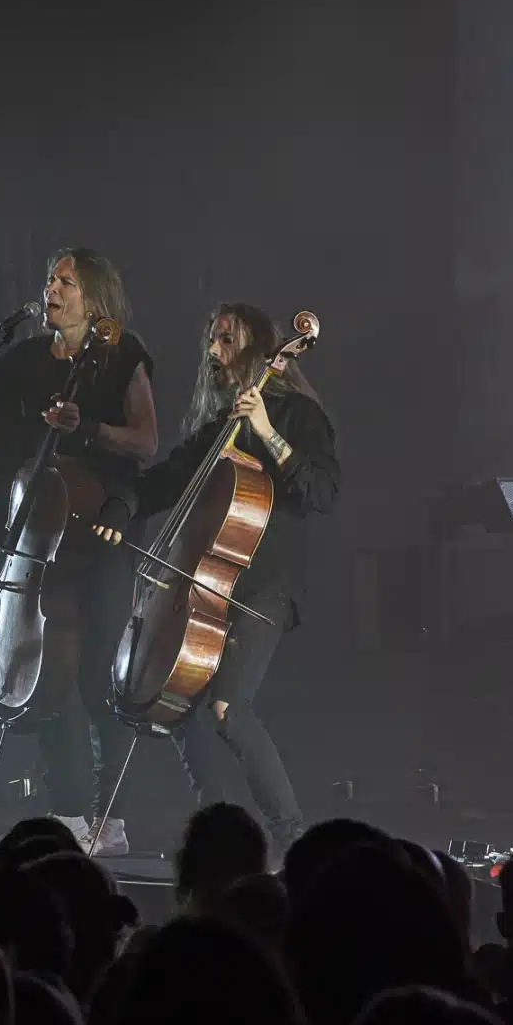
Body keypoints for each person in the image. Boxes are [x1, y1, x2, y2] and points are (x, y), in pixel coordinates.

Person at [0, 249, 158, 855]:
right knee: (49, 682)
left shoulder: (121, 356)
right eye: (51, 279)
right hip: (31, 541)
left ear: (95, 298)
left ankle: (113, 819)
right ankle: (71, 814)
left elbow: (146, 442)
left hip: (99, 540)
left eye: (66, 281)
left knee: (100, 680)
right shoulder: (19, 361)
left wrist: (90, 429)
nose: (52, 289)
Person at [94, 304, 340, 853]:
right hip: (206, 584)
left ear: (261, 352)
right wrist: (121, 504)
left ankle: (293, 838)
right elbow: (162, 480)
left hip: (264, 586)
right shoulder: (218, 429)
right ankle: (220, 833)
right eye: (212, 340)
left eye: (226, 340)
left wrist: (266, 431)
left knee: (228, 709)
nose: (212, 351)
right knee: (179, 704)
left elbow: (321, 492)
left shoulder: (298, 415)